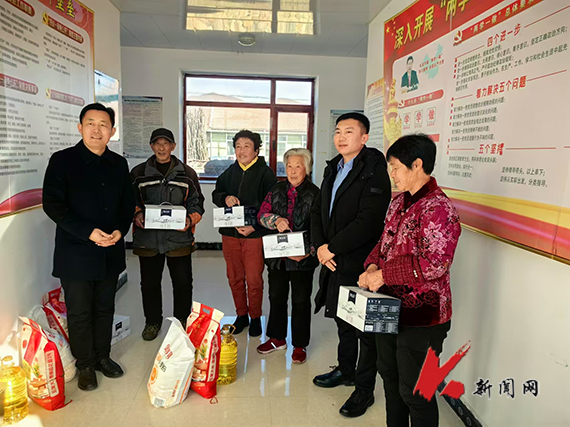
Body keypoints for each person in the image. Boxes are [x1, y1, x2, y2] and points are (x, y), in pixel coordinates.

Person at [359, 134, 461, 427]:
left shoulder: (438, 208)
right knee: (390, 379)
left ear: (417, 165)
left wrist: (383, 274)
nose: (391, 174)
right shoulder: (398, 202)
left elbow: (434, 264)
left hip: (423, 315)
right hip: (388, 306)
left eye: (395, 167)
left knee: (416, 392)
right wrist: (372, 264)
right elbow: (385, 241)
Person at [42, 103, 135, 391]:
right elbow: (53, 205)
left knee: (105, 307)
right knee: (80, 311)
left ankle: (102, 357)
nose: (97, 129)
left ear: (112, 131)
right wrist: (88, 233)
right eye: (91, 123)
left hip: (110, 249)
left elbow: (127, 204)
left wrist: (120, 230)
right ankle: (84, 364)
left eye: (103, 124)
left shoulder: (118, 164)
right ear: (80, 127)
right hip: (76, 252)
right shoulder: (63, 161)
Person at [311, 112, 391, 417]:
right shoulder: (334, 167)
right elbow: (318, 209)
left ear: (364, 137)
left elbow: (368, 221)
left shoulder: (374, 171)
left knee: (364, 330)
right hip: (332, 260)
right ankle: (346, 369)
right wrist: (321, 248)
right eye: (337, 131)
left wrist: (331, 248)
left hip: (359, 264)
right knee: (342, 319)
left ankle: (364, 390)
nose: (341, 137)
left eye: (348, 131)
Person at [130, 128, 205, 341]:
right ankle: (152, 322)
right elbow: (129, 200)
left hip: (178, 240)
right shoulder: (138, 173)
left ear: (173, 146)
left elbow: (197, 202)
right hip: (148, 240)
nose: (161, 148)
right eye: (157, 143)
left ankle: (182, 321)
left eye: (166, 143)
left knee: (182, 283)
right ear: (152, 146)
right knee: (149, 284)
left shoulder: (187, 173)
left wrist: (190, 219)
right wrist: (136, 214)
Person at [256, 148, 319, 364]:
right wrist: (275, 220)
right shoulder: (276, 189)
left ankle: (300, 344)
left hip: (303, 259)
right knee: (276, 297)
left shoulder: (316, 194)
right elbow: (261, 215)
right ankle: (277, 338)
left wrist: (308, 251)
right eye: (289, 166)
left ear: (306, 169)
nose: (292, 171)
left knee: (301, 301)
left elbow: (321, 228)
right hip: (278, 258)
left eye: (297, 166)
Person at [212, 130, 277, 337]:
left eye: (246, 146)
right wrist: (225, 198)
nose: (241, 151)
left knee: (254, 278)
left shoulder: (266, 174)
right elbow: (216, 194)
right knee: (234, 277)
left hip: (254, 235)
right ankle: (241, 315)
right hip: (230, 234)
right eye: (238, 146)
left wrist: (255, 227)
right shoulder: (229, 172)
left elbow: (273, 206)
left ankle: (255, 317)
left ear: (256, 150)